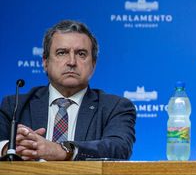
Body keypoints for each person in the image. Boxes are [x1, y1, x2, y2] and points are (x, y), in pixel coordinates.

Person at [0, 20, 136, 161]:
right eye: (62, 53)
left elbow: (119, 148)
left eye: (81, 54)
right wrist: (11, 148)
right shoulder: (14, 106)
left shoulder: (115, 107)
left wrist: (63, 150)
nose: (71, 62)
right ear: (45, 62)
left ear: (93, 65)